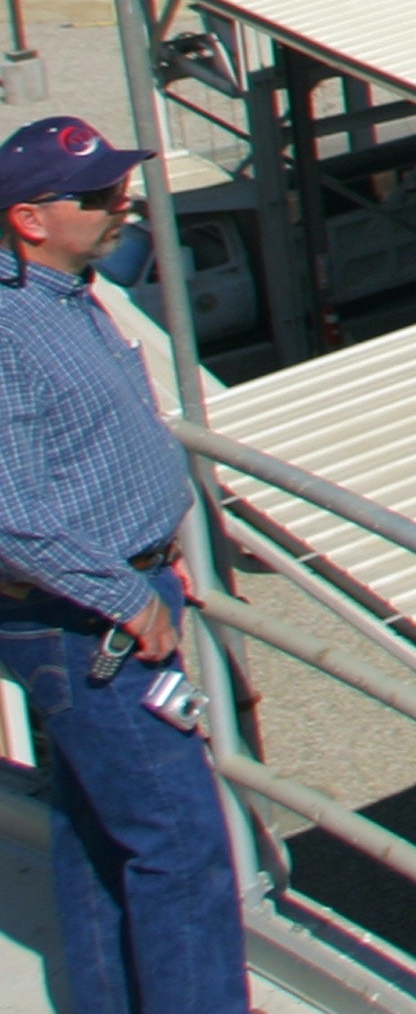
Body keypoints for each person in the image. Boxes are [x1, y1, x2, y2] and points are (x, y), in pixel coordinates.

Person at [0, 114, 246, 1014]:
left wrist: (159, 545)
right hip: (84, 617)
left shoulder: (66, 293)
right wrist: (125, 598)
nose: (122, 203)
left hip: (113, 593)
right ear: (31, 217)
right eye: (99, 194)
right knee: (181, 844)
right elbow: (6, 513)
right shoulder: (7, 324)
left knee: (98, 829)